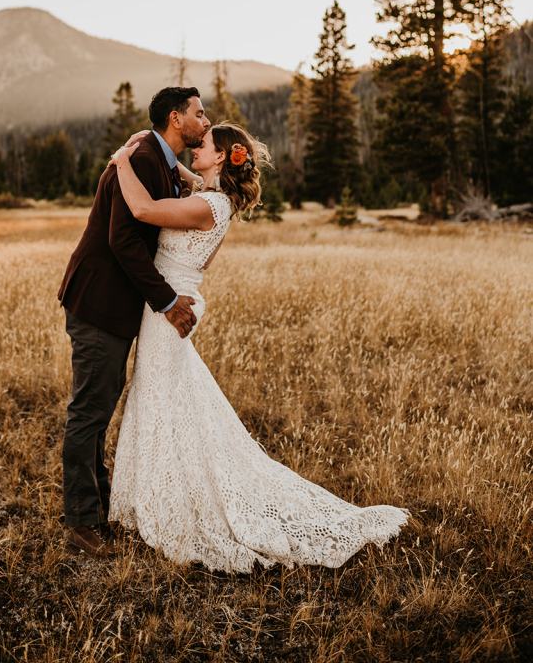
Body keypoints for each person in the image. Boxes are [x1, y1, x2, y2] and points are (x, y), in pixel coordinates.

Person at [107, 122, 411, 572]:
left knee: (161, 396)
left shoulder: (208, 206)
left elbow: (145, 210)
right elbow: (195, 215)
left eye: (204, 146)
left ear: (222, 156)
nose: (196, 148)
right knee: (165, 396)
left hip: (169, 307)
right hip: (173, 299)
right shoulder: (215, 200)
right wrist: (192, 177)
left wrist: (120, 163)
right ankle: (159, 491)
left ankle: (174, 501)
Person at [56, 86, 210, 558]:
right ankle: (82, 522)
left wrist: (188, 174)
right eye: (198, 114)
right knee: (89, 412)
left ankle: (97, 507)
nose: (205, 121)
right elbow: (123, 241)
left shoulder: (153, 153)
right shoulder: (143, 156)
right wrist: (167, 302)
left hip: (113, 305)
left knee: (100, 407)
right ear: (175, 118)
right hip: (99, 302)